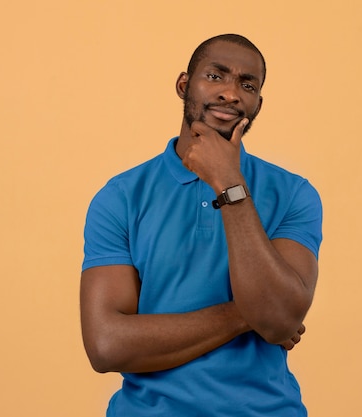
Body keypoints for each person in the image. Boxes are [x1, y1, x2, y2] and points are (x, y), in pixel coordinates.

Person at [80, 34, 323, 417]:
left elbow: (278, 321)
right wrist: (248, 315)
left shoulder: (294, 193)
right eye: (215, 76)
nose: (230, 93)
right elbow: (107, 345)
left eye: (247, 84)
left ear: (258, 103)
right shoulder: (121, 196)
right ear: (183, 85)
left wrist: (229, 183)